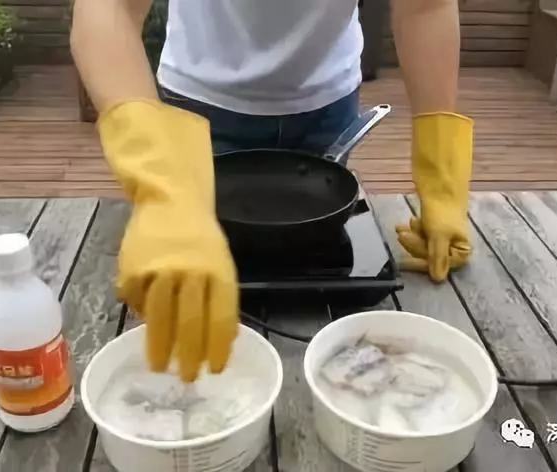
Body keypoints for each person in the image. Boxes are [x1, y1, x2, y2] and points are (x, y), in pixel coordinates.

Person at [71, 0, 473, 383]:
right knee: (189, 282)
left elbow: (426, 7)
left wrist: (442, 176)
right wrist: (160, 186)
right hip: (199, 105)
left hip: (327, 104)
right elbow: (110, 8)